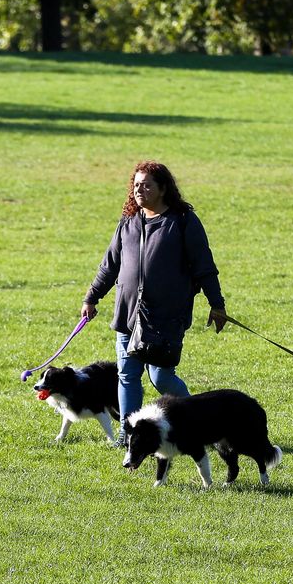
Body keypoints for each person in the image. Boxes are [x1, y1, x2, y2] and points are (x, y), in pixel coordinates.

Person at [83, 161, 228, 432]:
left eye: (147, 185)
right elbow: (110, 264)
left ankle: (202, 421)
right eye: (136, 185)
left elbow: (204, 266)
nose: (140, 190)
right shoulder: (128, 222)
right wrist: (91, 298)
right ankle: (130, 436)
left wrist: (216, 304)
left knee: (161, 377)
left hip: (165, 316)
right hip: (128, 313)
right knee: (127, 375)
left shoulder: (183, 221)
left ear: (163, 188)